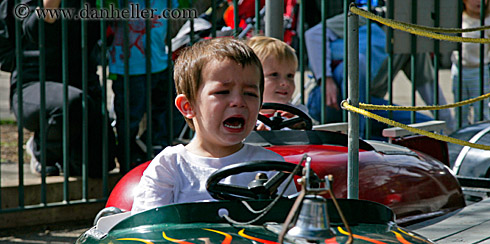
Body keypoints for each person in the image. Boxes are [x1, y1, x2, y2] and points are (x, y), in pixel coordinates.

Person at [131, 37, 291, 214]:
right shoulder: (170, 166)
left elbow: (291, 228)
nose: (238, 101)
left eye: (250, 93)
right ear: (188, 106)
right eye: (222, 92)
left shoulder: (272, 167)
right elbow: (147, 232)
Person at [305, 12, 455, 138]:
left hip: (369, 108)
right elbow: (313, 35)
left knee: (424, 126)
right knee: (358, 62)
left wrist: (451, 130)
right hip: (329, 99)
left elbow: (427, 86)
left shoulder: (410, 42)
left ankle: (363, 141)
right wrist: (326, 78)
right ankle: (358, 142)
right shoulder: (364, 17)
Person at [9, 0, 115, 177]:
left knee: (99, 164)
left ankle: (66, 154)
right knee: (72, 103)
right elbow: (34, 30)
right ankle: (41, 151)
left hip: (79, 88)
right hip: (34, 85)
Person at [108, 0, 179, 172]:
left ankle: (158, 156)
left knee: (163, 116)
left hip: (159, 62)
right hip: (129, 68)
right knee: (129, 119)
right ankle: (127, 160)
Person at [451, 0, 490, 125]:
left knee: (481, 110)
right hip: (459, 69)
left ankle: (481, 135)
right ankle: (461, 136)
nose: (479, 2)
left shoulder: (488, 21)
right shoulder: (458, 19)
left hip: (480, 70)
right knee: (460, 109)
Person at [247, 35, 308, 129]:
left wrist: (298, 124)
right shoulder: (245, 115)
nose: (285, 83)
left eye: (290, 76)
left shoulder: (297, 112)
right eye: (274, 75)